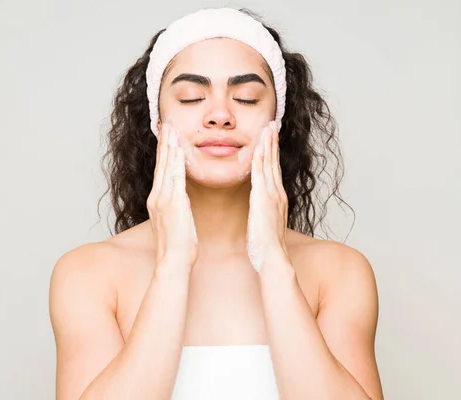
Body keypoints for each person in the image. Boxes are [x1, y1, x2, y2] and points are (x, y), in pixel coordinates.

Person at [49, 7, 384, 400]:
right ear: (158, 122)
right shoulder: (88, 275)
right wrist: (172, 266)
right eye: (191, 97)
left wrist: (274, 263)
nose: (220, 115)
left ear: (276, 120)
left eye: (246, 97)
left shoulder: (339, 273)